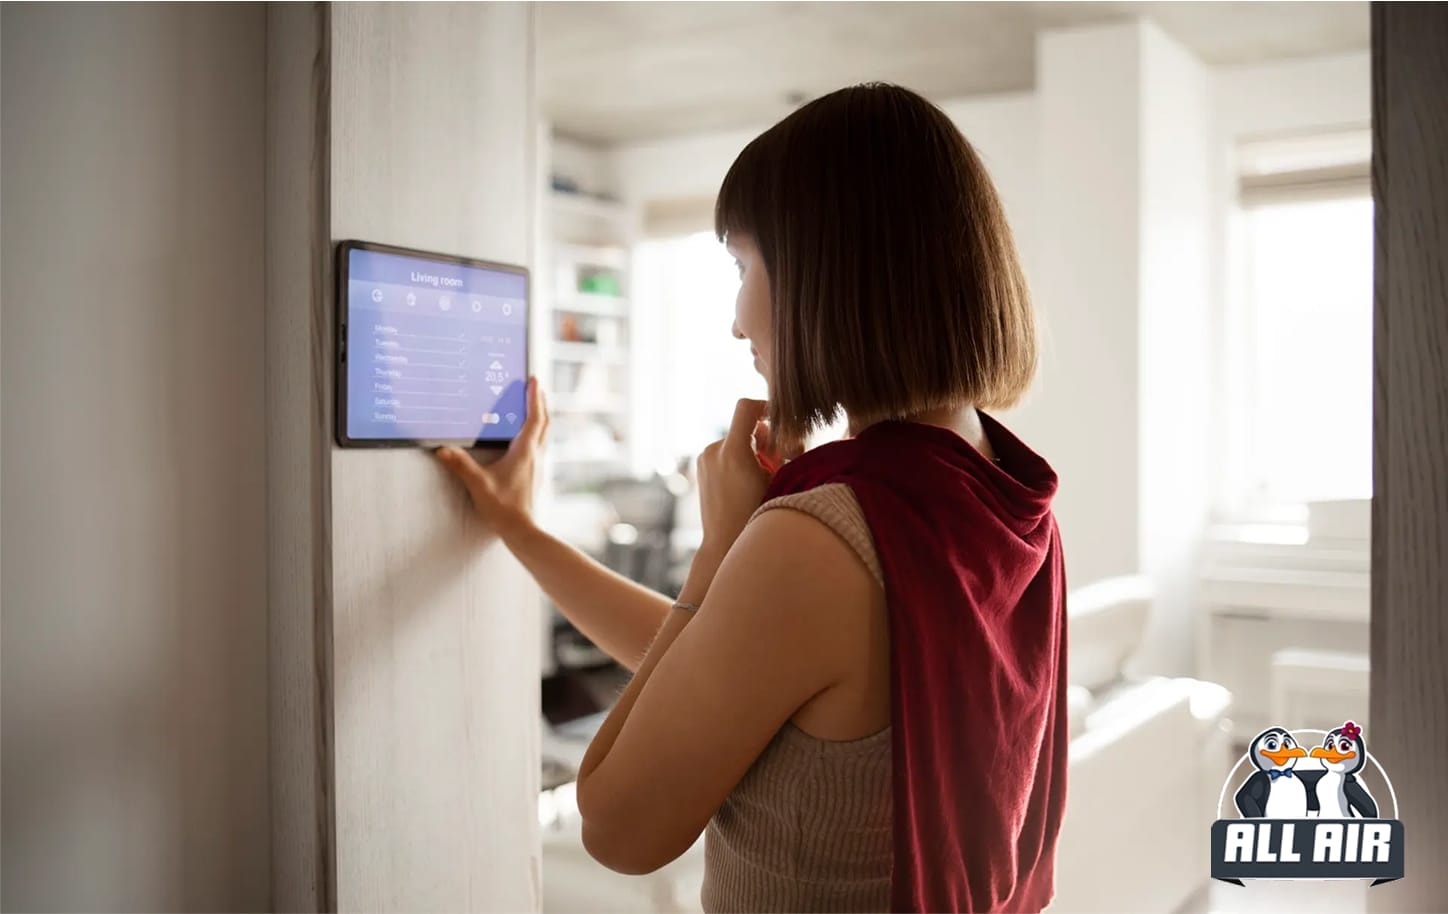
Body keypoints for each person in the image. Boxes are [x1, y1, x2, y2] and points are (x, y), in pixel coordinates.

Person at [436, 82, 1068, 914]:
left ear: (828, 274)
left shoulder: (820, 541)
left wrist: (718, 553)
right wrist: (517, 528)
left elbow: (615, 827)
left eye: (743, 267)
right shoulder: (999, 496)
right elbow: (717, 663)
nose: (738, 320)